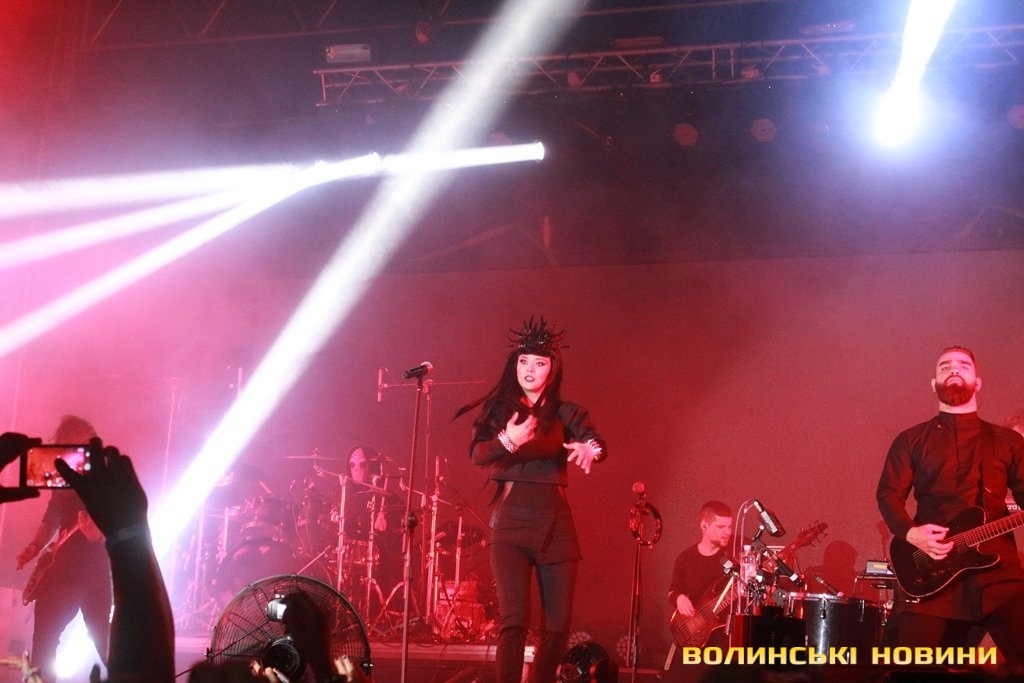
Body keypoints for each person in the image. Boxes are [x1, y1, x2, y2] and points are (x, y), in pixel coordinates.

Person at [456, 316, 607, 683]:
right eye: (524, 361)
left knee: (556, 628)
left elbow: (596, 441)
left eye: (539, 363)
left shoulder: (566, 412)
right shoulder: (500, 412)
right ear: (514, 364)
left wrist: (591, 450)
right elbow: (477, 454)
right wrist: (508, 440)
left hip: (556, 527)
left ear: (552, 369)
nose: (530, 369)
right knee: (514, 623)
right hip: (511, 527)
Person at [876, 346, 1024, 661]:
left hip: (998, 573)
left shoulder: (1007, 441)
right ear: (934, 384)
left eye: (963, 365)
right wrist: (911, 533)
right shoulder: (911, 439)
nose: (954, 369)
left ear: (978, 382)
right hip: (933, 568)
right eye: (945, 366)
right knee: (911, 668)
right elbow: (888, 494)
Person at [15, 416, 113, 683]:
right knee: (44, 639)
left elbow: (118, 520)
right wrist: (34, 546)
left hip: (95, 567)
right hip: (64, 566)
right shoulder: (63, 474)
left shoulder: (105, 475)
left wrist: (98, 534)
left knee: (102, 637)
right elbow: (52, 517)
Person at [664, 501, 733, 681]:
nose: (727, 532)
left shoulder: (732, 556)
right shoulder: (685, 558)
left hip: (724, 635)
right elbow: (672, 591)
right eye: (721, 527)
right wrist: (679, 598)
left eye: (729, 526)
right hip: (695, 633)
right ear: (704, 526)